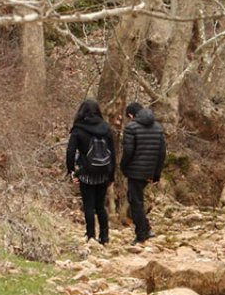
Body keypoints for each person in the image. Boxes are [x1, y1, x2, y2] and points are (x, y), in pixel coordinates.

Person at [65, 99, 116, 245]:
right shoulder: (106, 128)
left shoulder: (78, 129)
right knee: (100, 206)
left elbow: (70, 152)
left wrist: (72, 171)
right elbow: (113, 153)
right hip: (103, 173)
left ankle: (91, 236)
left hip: (86, 172)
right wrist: (111, 175)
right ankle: (105, 237)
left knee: (88, 205)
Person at [120, 102, 167, 245]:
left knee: (135, 202)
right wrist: (157, 174)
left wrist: (123, 167)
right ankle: (146, 229)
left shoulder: (131, 127)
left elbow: (128, 151)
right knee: (137, 200)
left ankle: (141, 235)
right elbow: (162, 153)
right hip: (149, 171)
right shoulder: (158, 127)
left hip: (135, 171)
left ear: (130, 115)